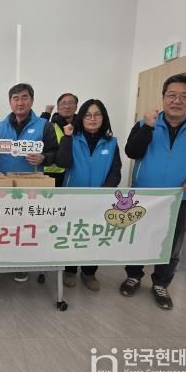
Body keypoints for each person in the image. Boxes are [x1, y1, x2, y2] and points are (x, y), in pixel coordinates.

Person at [120, 74, 186, 309]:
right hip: (143, 197)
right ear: (163, 98)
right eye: (171, 95)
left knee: (172, 245)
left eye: (184, 96)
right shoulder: (146, 124)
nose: (177, 101)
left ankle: (161, 283)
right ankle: (133, 276)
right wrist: (147, 127)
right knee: (138, 238)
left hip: (179, 199)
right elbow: (132, 152)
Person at [0, 83, 59, 282]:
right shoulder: (1, 126)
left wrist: (44, 158)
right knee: (5, 226)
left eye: (24, 97)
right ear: (10, 102)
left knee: (27, 227)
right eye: (15, 98)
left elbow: (55, 152)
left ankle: (22, 264)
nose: (20, 102)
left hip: (32, 187)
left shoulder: (44, 125)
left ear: (32, 100)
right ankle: (3, 260)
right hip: (4, 187)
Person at [55, 99, 121, 291]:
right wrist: (67, 138)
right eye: (87, 115)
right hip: (73, 197)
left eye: (97, 114)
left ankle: (89, 272)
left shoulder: (111, 142)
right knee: (73, 234)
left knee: (95, 236)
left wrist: (104, 192)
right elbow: (62, 163)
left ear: (104, 118)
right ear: (81, 118)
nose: (92, 119)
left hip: (100, 200)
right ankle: (70, 270)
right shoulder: (71, 138)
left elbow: (115, 171)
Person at [42, 93, 79, 187]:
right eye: (63, 103)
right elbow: (37, 133)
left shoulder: (81, 128)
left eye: (70, 103)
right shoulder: (50, 126)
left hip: (75, 172)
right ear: (58, 108)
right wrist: (46, 114)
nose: (67, 106)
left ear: (76, 107)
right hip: (51, 174)